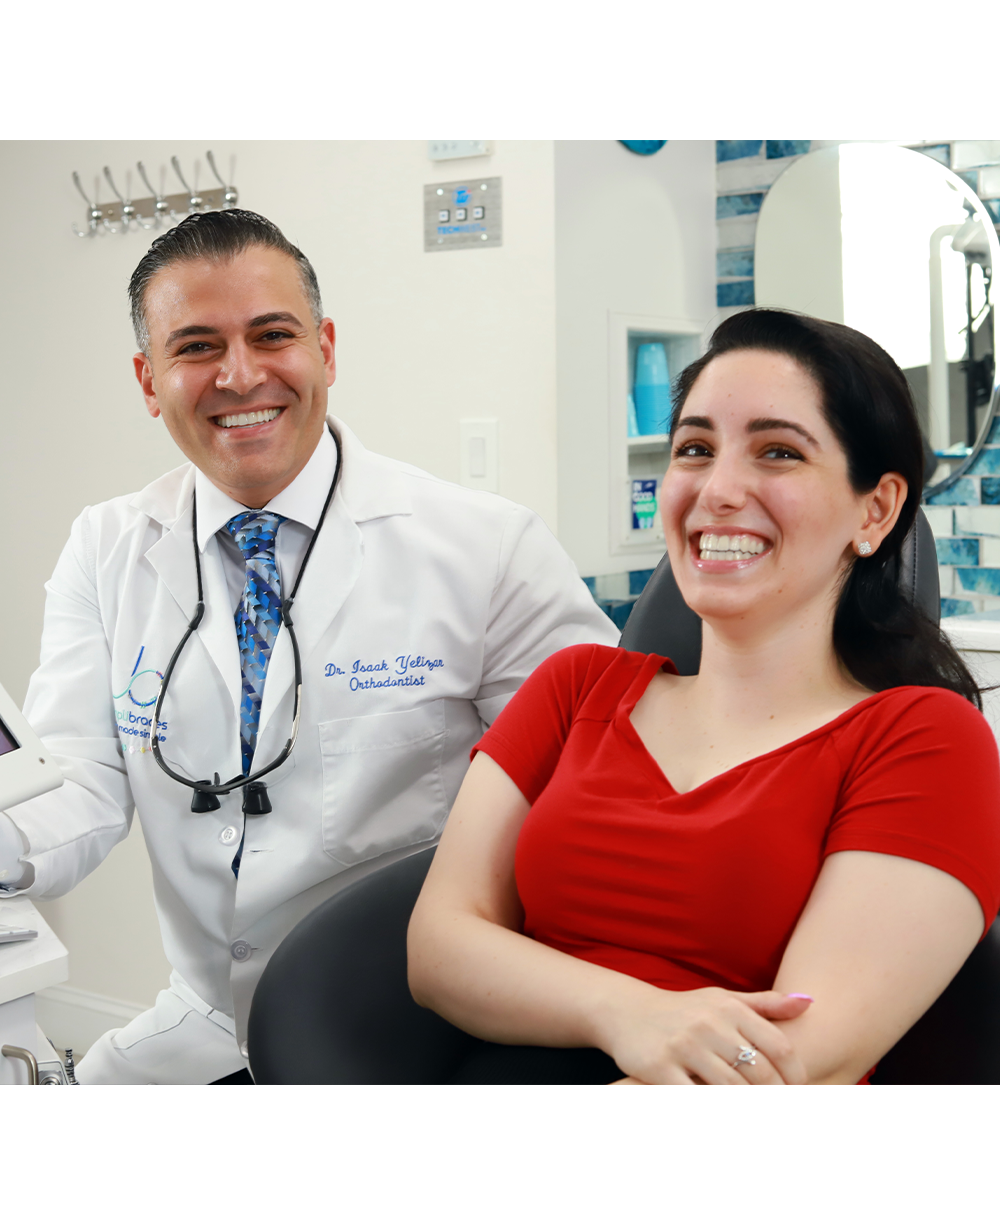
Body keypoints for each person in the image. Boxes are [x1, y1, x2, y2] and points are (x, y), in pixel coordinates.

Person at [0, 209, 619, 1084]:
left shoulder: (486, 549)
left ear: (325, 347)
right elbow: (79, 782)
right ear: (149, 378)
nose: (240, 374)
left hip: (412, 1020)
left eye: (272, 334)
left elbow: (598, 796)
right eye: (197, 347)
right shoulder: (107, 548)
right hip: (208, 1012)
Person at [408, 307, 1000, 1085]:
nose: (718, 489)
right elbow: (439, 947)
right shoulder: (576, 685)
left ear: (876, 509)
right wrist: (630, 1011)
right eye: (694, 448)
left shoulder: (924, 739)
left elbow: (791, 1064)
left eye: (778, 451)